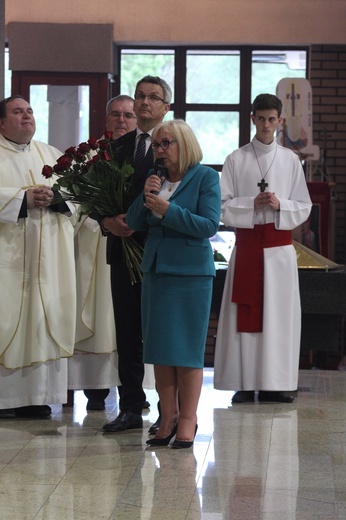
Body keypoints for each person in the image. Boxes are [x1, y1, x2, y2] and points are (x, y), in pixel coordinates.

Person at [126, 119, 221, 448]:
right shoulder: (158, 178)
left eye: (167, 143)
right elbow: (135, 221)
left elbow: (209, 224)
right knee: (161, 351)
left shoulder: (205, 177)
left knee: (187, 353)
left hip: (191, 275)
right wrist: (146, 193)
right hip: (156, 272)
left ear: (185, 145)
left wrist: (169, 210)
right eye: (157, 144)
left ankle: (188, 419)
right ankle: (166, 417)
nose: (161, 150)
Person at [214, 93, 312, 404]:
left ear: (280, 121)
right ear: (252, 119)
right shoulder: (236, 159)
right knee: (245, 315)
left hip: (278, 251)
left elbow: (304, 205)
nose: (267, 124)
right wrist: (250, 204)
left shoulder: (290, 160)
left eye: (272, 119)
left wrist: (280, 203)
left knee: (278, 317)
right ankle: (244, 382)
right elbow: (220, 207)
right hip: (247, 249)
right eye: (261, 118)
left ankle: (277, 383)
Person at [101, 76, 172, 432]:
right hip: (122, 249)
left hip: (159, 251)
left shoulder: (174, 145)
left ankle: (167, 409)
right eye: (140, 96)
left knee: (158, 333)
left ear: (166, 107)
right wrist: (108, 222)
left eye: (153, 98)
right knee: (127, 331)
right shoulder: (117, 147)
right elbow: (99, 197)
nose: (144, 103)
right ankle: (130, 406)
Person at [0, 95, 76, 418]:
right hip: (9, 263)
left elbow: (79, 197)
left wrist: (56, 198)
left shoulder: (52, 155)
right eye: (18, 112)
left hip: (48, 263)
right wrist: (22, 199)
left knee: (43, 322)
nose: (27, 116)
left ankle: (37, 396)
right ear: (2, 123)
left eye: (30, 111)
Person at [68, 95, 137, 411]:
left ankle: (133, 390)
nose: (122, 120)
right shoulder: (90, 157)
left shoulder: (145, 152)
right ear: (105, 119)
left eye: (128, 115)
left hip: (133, 246)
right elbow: (73, 201)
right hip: (95, 245)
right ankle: (95, 387)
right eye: (115, 114)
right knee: (99, 312)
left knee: (129, 319)